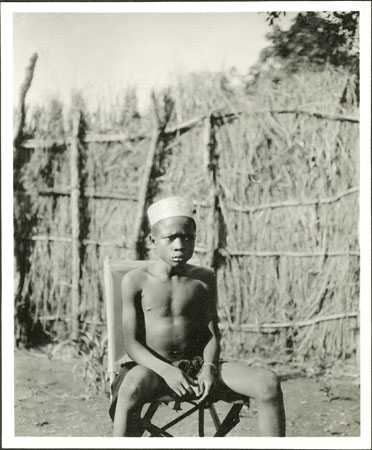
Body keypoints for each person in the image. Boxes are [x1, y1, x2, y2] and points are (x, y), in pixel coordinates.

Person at [110, 196, 286, 437]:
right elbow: (132, 344)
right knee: (130, 387)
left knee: (268, 383)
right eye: (170, 237)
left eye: (187, 237)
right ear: (153, 241)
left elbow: (212, 333)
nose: (180, 244)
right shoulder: (135, 281)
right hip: (153, 368)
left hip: (197, 367)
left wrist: (208, 369)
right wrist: (167, 371)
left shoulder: (204, 278)